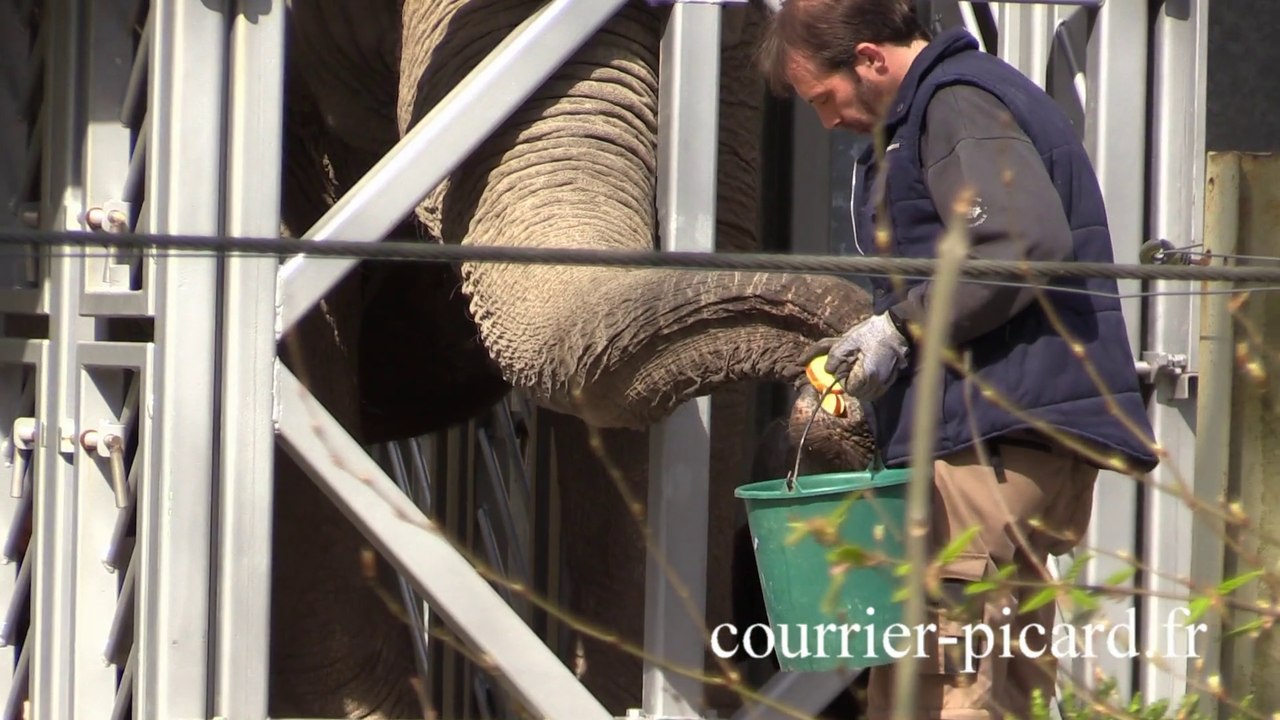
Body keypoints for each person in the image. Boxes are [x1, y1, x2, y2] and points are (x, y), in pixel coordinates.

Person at [756, 1, 1160, 718]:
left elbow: (1020, 245)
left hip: (985, 443)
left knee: (937, 681)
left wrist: (900, 328)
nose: (827, 121)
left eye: (824, 97)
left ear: (869, 59)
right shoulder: (954, 104)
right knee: (1002, 684)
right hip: (1014, 441)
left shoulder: (955, 104)